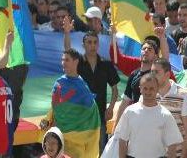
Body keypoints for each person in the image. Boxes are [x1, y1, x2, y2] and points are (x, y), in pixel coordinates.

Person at [63, 19, 119, 151]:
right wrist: (66, 33)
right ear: (83, 45)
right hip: (80, 117)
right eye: (89, 42)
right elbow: (67, 51)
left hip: (100, 116)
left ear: (98, 44)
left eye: (95, 42)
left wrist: (110, 108)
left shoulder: (106, 64)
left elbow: (115, 89)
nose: (92, 45)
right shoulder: (78, 63)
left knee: (100, 151)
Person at [40, 48, 100, 158]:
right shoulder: (59, 83)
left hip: (77, 144)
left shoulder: (82, 88)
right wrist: (47, 119)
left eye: (67, 60)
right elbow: (56, 107)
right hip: (59, 139)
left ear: (76, 62)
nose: (63, 63)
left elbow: (92, 117)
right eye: (62, 60)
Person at [116, 73, 183, 158]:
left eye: (151, 89)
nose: (148, 91)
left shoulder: (166, 115)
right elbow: (122, 140)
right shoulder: (130, 112)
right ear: (140, 89)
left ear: (157, 89)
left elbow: (172, 146)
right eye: (145, 88)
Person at [150, 58, 187, 157]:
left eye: (156, 72)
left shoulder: (183, 95)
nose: (152, 75)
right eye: (151, 72)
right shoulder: (147, 95)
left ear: (167, 74)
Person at [114, 40, 159, 129]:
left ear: (155, 56)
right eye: (144, 48)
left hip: (153, 123)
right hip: (135, 122)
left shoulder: (157, 75)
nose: (146, 51)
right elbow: (125, 102)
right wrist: (116, 128)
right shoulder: (134, 74)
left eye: (150, 49)